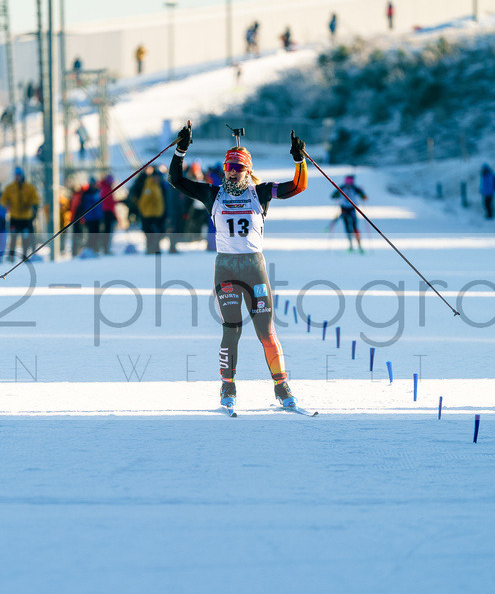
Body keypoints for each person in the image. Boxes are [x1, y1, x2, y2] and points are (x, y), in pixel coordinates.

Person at [168, 122, 308, 409]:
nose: (233, 172)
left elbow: (297, 186)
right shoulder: (212, 194)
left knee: (266, 332)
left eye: (239, 168)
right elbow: (176, 180)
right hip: (227, 269)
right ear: (224, 169)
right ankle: (227, 388)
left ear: (248, 170)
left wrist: (299, 160)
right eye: (229, 167)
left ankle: (282, 388)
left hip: (254, 267)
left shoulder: (262, 193)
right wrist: (180, 151)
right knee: (231, 329)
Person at [1, 167, 40, 261]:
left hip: (26, 217)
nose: (17, 177)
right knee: (13, 237)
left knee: (26, 237)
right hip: (14, 217)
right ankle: (11, 256)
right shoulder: (10, 188)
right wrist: (6, 204)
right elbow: (3, 199)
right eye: (16, 175)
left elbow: (35, 198)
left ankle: (25, 255)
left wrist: (34, 206)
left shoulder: (29, 187)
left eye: (19, 175)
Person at [129, 166, 169, 254]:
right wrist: (144, 211)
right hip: (150, 215)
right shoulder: (149, 186)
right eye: (156, 176)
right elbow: (143, 202)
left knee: (158, 233)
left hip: (157, 214)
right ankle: (151, 249)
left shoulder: (158, 186)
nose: (158, 178)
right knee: (151, 234)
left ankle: (155, 248)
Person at [330, 174, 367, 252]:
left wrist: (363, 195)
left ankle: (358, 245)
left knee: (354, 227)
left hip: (352, 209)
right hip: (344, 209)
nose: (348, 183)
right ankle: (351, 245)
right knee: (349, 227)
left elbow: (363, 196)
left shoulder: (353, 188)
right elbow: (333, 196)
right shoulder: (343, 187)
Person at [99, 174, 118, 254]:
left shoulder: (107, 188)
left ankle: (106, 248)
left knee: (108, 232)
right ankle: (105, 248)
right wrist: (118, 201)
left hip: (109, 212)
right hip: (106, 213)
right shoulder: (104, 189)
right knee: (107, 232)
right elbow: (107, 202)